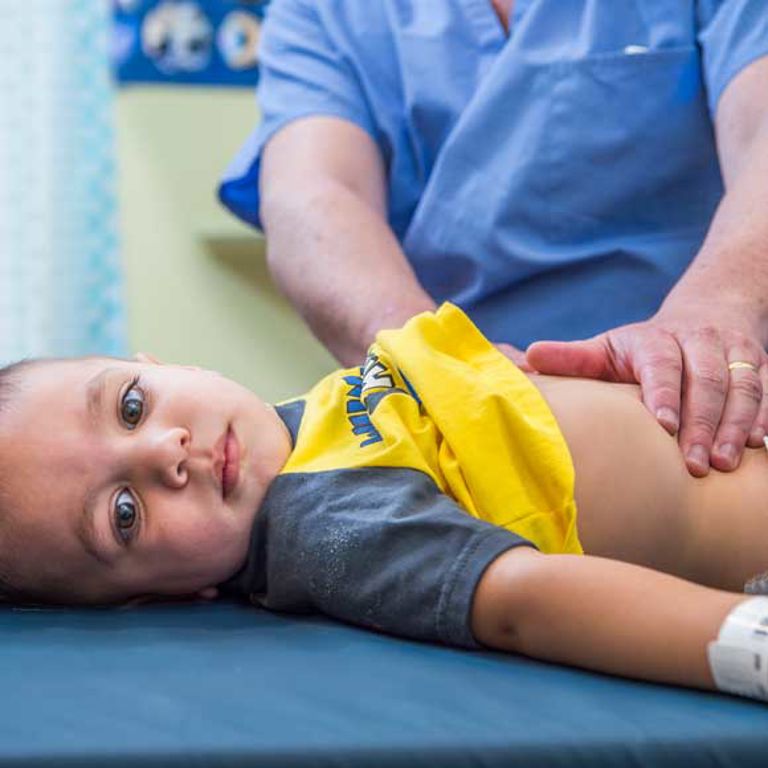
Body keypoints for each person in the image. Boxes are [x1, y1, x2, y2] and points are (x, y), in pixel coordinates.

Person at [2, 303, 768, 702]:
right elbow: (523, 601)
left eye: (131, 407)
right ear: (159, 596)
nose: (163, 452)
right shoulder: (324, 522)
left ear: (155, 363)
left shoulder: (312, 421)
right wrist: (742, 645)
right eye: (124, 515)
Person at [219, 0, 768, 480]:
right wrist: (443, 366)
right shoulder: (322, 14)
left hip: (718, 389)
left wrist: (719, 310)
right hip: (473, 424)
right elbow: (313, 197)